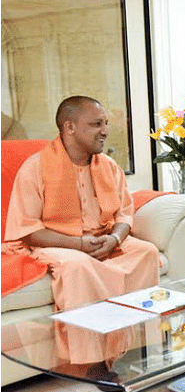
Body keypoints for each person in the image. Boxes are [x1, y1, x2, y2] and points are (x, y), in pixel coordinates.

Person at [4, 96, 160, 311]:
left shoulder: (109, 166)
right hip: (56, 243)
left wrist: (115, 239)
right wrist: (78, 244)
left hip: (103, 239)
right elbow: (28, 231)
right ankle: (86, 341)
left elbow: (124, 214)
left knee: (147, 252)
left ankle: (138, 337)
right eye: (96, 124)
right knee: (77, 265)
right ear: (70, 127)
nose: (105, 131)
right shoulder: (35, 168)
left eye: (105, 123)